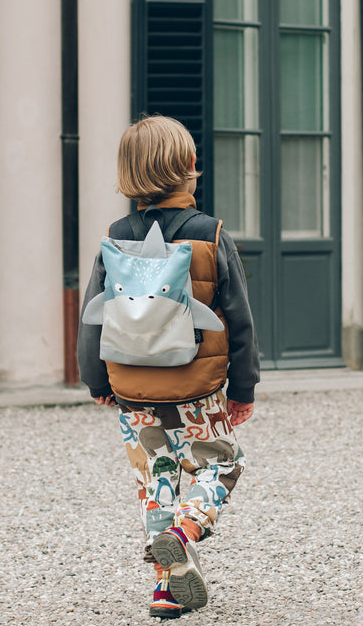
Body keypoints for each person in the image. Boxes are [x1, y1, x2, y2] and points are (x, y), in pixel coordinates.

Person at [77, 115, 260, 619]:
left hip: (132, 389)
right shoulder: (210, 234)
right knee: (221, 464)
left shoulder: (114, 238)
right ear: (192, 167)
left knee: (156, 480)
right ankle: (186, 532)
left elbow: (93, 316)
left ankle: (165, 588)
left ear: (128, 177)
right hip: (197, 388)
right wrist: (243, 385)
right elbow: (238, 319)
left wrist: (97, 380)